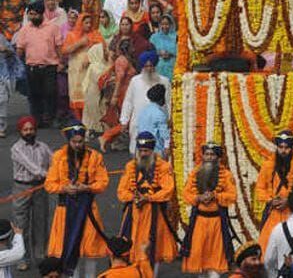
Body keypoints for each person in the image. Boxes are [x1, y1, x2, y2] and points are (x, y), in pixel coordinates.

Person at [44, 121, 108, 277]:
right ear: (68, 141)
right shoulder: (59, 156)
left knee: (89, 251)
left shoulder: (95, 156)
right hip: (65, 209)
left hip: (88, 211)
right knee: (70, 248)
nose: (78, 145)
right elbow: (49, 184)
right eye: (74, 142)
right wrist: (64, 188)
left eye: (81, 142)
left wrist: (87, 188)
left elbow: (103, 182)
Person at [116, 132, 178, 273]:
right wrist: (134, 197)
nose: (143, 154)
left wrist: (149, 198)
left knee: (154, 249)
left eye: (146, 151)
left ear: (152, 150)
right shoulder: (130, 166)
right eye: (141, 151)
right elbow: (121, 191)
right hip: (134, 214)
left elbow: (168, 190)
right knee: (131, 247)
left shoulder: (163, 167)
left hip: (154, 214)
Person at [181, 142, 238, 276]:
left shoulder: (227, 175)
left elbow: (232, 196)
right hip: (199, 222)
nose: (209, 157)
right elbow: (186, 194)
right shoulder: (195, 173)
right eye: (206, 154)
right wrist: (198, 198)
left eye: (212, 154)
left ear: (218, 158)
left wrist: (216, 196)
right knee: (200, 262)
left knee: (215, 264)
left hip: (217, 223)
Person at [256, 130, 293, 255]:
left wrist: (290, 201)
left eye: (287, 148)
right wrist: (271, 200)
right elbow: (260, 189)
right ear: (277, 147)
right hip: (273, 212)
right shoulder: (268, 165)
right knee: (267, 249)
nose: (283, 151)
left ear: (291, 148)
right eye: (280, 147)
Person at [10, 116, 51, 272]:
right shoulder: (16, 148)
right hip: (22, 188)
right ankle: (22, 257)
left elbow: (55, 160)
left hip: (40, 188)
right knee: (21, 225)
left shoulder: (43, 147)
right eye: (25, 130)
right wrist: (50, 176)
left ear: (35, 130)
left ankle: (41, 256)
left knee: (41, 222)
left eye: (31, 129)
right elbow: (32, 167)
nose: (29, 132)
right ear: (20, 131)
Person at [16, 1, 62, 128]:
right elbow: (20, 49)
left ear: (41, 14)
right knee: (34, 95)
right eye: (30, 14)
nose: (32, 17)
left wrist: (61, 62)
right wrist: (16, 65)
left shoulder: (53, 28)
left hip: (49, 67)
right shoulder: (25, 30)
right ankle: (37, 120)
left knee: (50, 93)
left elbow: (58, 46)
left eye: (35, 14)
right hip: (32, 67)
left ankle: (51, 117)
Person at [119, 51, 170, 154]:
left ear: (155, 66)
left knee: (158, 152)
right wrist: (124, 120)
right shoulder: (135, 81)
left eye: (151, 66)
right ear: (142, 67)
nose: (149, 69)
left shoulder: (164, 81)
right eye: (146, 66)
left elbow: (169, 101)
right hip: (138, 122)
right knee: (137, 151)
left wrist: (170, 118)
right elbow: (128, 101)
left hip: (158, 123)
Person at [62, 13, 103, 116]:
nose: (89, 25)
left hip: (91, 68)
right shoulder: (72, 35)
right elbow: (65, 50)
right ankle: (78, 122)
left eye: (90, 23)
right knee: (76, 95)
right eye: (86, 23)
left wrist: (89, 56)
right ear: (80, 23)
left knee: (90, 93)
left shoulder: (96, 34)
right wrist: (80, 43)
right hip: (76, 70)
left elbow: (102, 49)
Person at [134, 84, 170, 157]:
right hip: (155, 151)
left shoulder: (143, 111)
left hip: (141, 148)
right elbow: (165, 135)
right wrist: (167, 148)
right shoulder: (160, 114)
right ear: (161, 98)